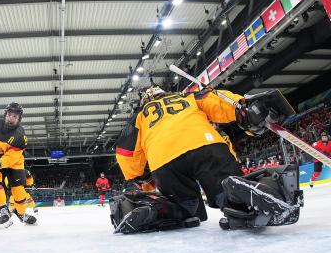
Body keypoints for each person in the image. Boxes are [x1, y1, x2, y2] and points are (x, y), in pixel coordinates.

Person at [112, 86, 301, 233]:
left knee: (185, 207)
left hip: (163, 161)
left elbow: (125, 153)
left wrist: (140, 179)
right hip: (204, 144)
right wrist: (242, 109)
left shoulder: (138, 118)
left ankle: (160, 211)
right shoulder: (187, 97)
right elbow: (216, 100)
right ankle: (238, 201)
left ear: (145, 101)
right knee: (225, 188)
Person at [0, 102, 37, 226]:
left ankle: (21, 214)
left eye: (15, 117)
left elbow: (12, 157)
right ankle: (3, 209)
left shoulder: (20, 136)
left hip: (14, 164)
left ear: (19, 119)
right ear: (5, 114)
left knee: (19, 192)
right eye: (10, 115)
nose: (11, 118)